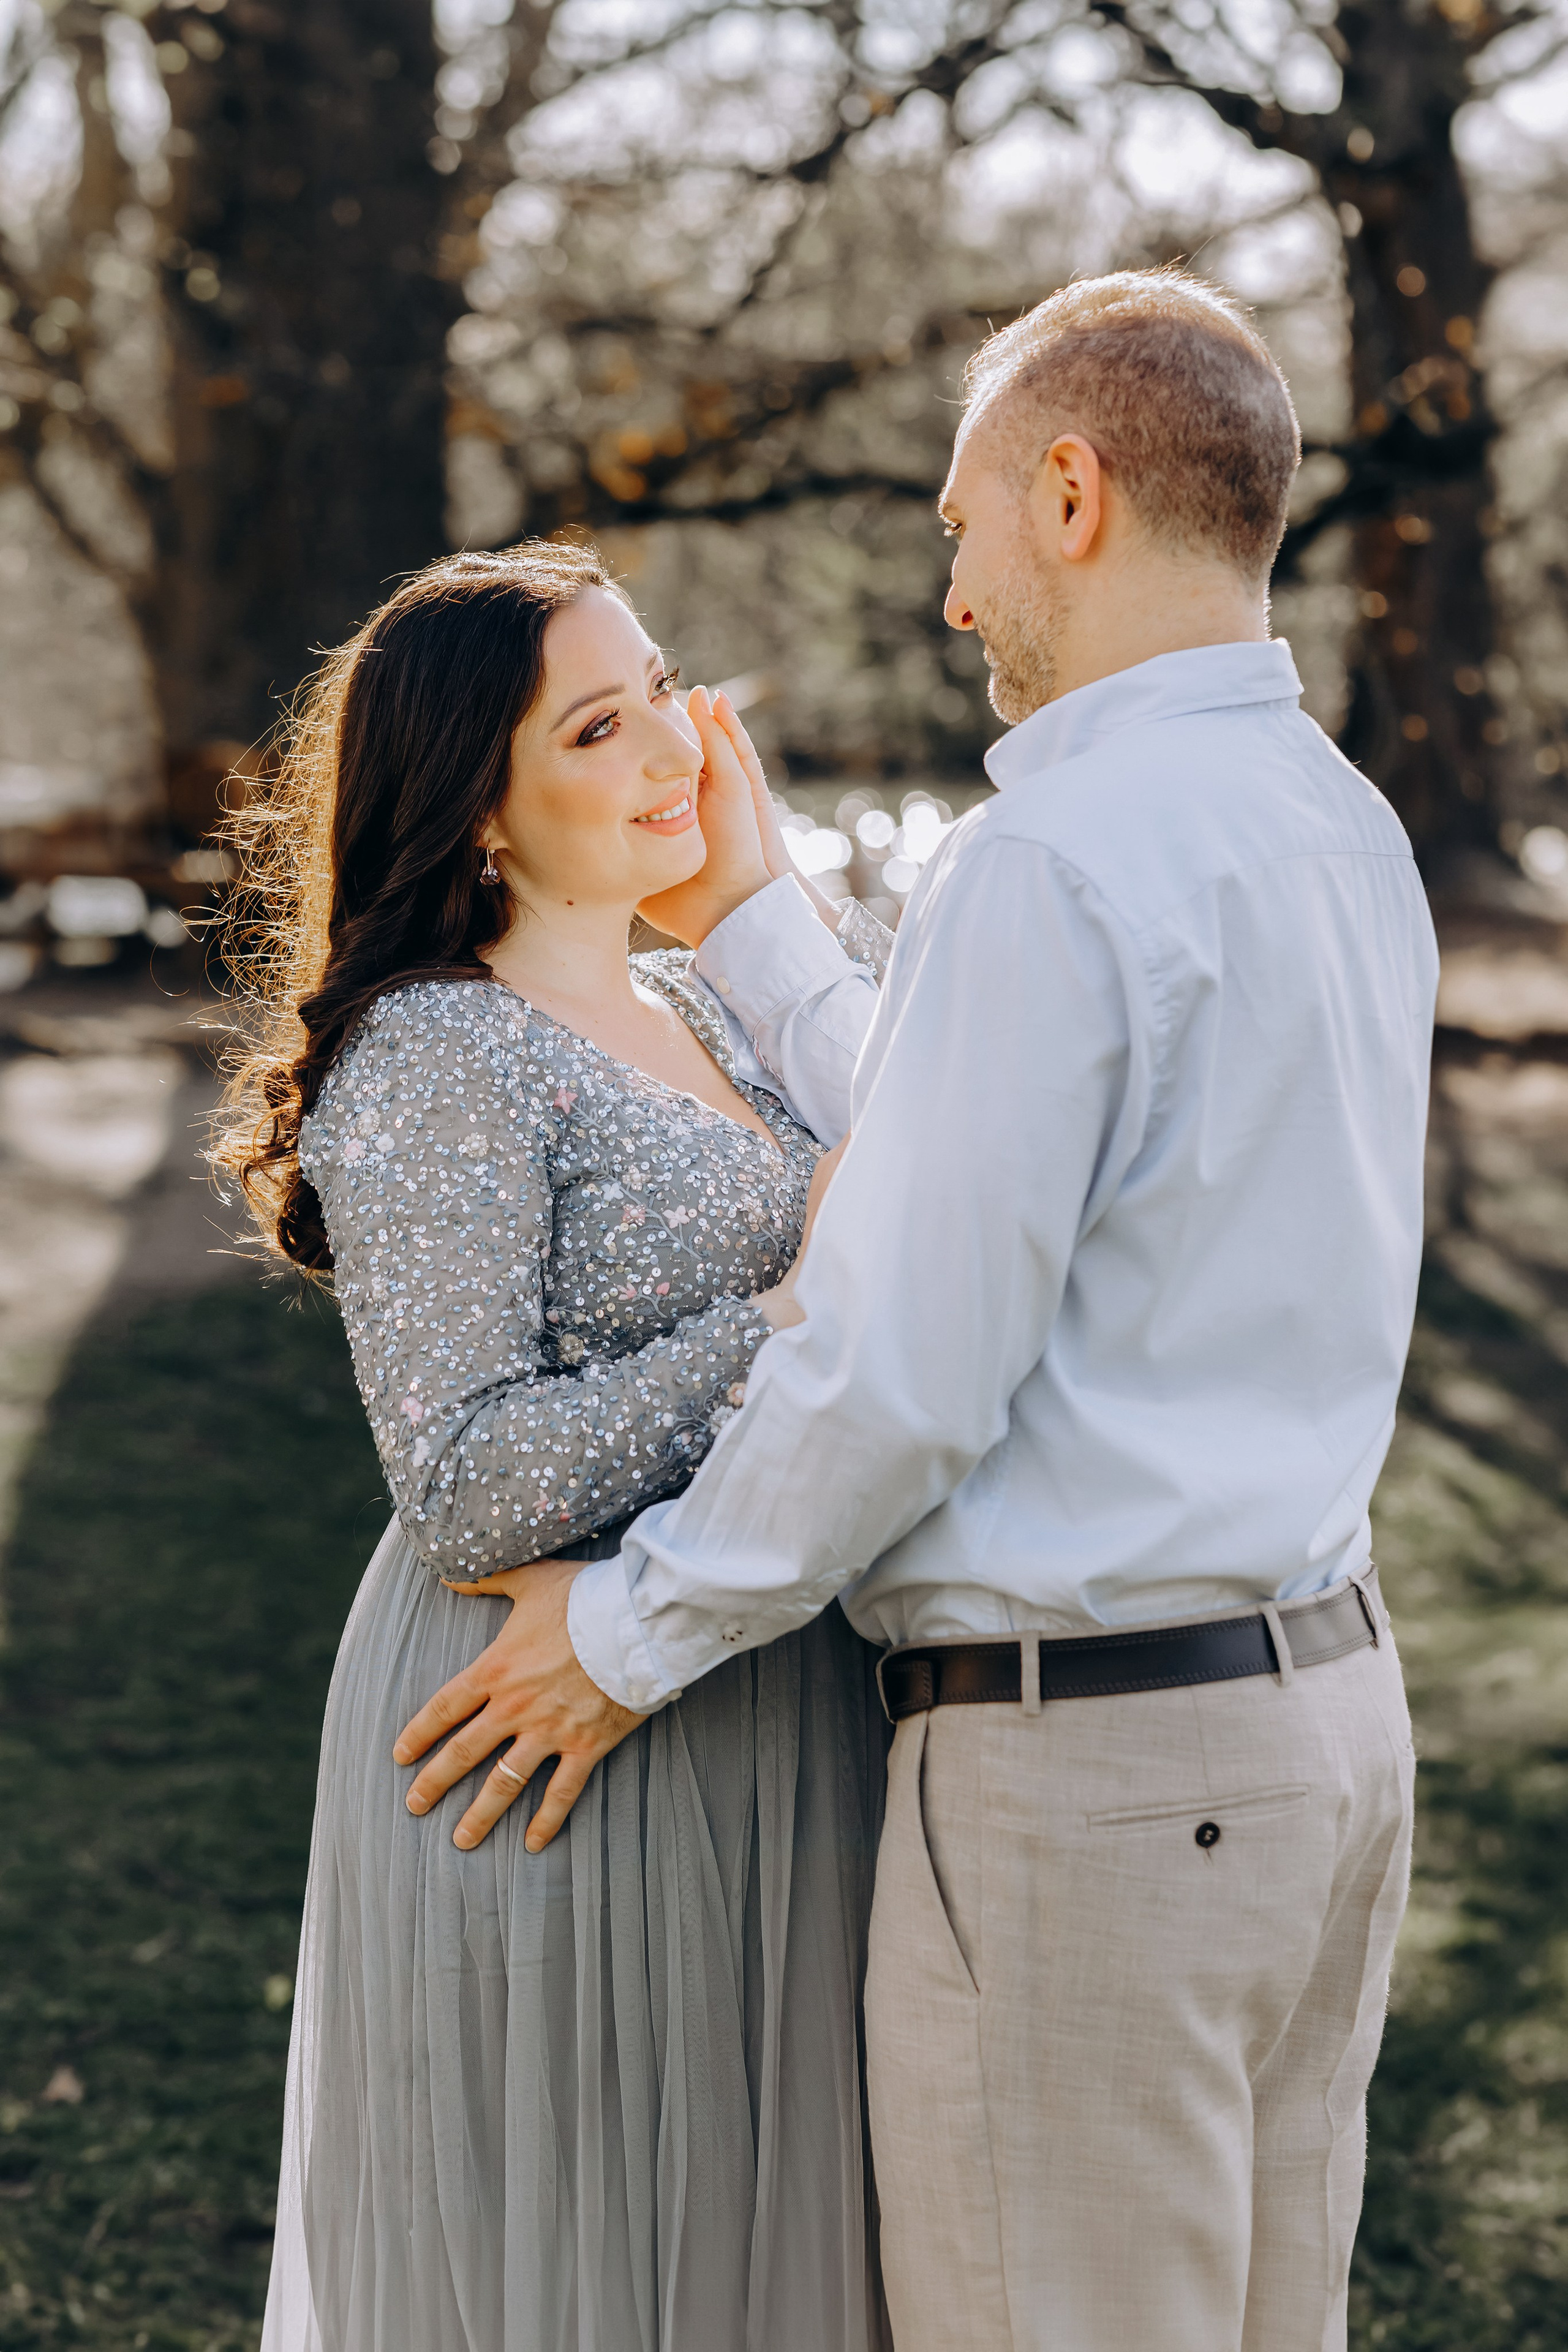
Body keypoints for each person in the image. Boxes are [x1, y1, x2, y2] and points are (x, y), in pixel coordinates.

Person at [410, 271, 1441, 2351]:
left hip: (1098, 1788)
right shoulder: (1343, 830)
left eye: (965, 524)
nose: (957, 594)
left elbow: (902, 1363)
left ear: (1071, 492)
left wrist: (626, 1637)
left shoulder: (1051, 858)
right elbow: (1006, 1167)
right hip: (1321, 1733)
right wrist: (777, 933)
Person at [216, 540, 899, 2351]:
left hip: (748, 1695)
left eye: (661, 687)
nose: (673, 744)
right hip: (544, 1738)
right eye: (600, 727)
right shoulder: (444, 1048)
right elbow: (462, 1483)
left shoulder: (685, 1010)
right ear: (484, 815)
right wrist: (779, 1320)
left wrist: (754, 901)